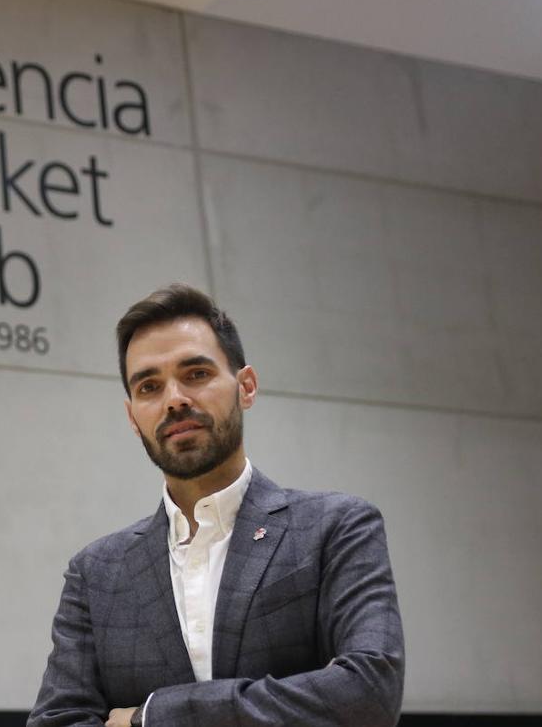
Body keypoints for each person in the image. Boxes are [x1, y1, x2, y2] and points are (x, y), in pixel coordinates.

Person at [28, 284, 404, 727]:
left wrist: (152, 717)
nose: (175, 399)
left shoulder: (335, 528)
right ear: (133, 418)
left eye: (196, 374)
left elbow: (369, 693)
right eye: (150, 386)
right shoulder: (96, 574)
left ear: (246, 387)